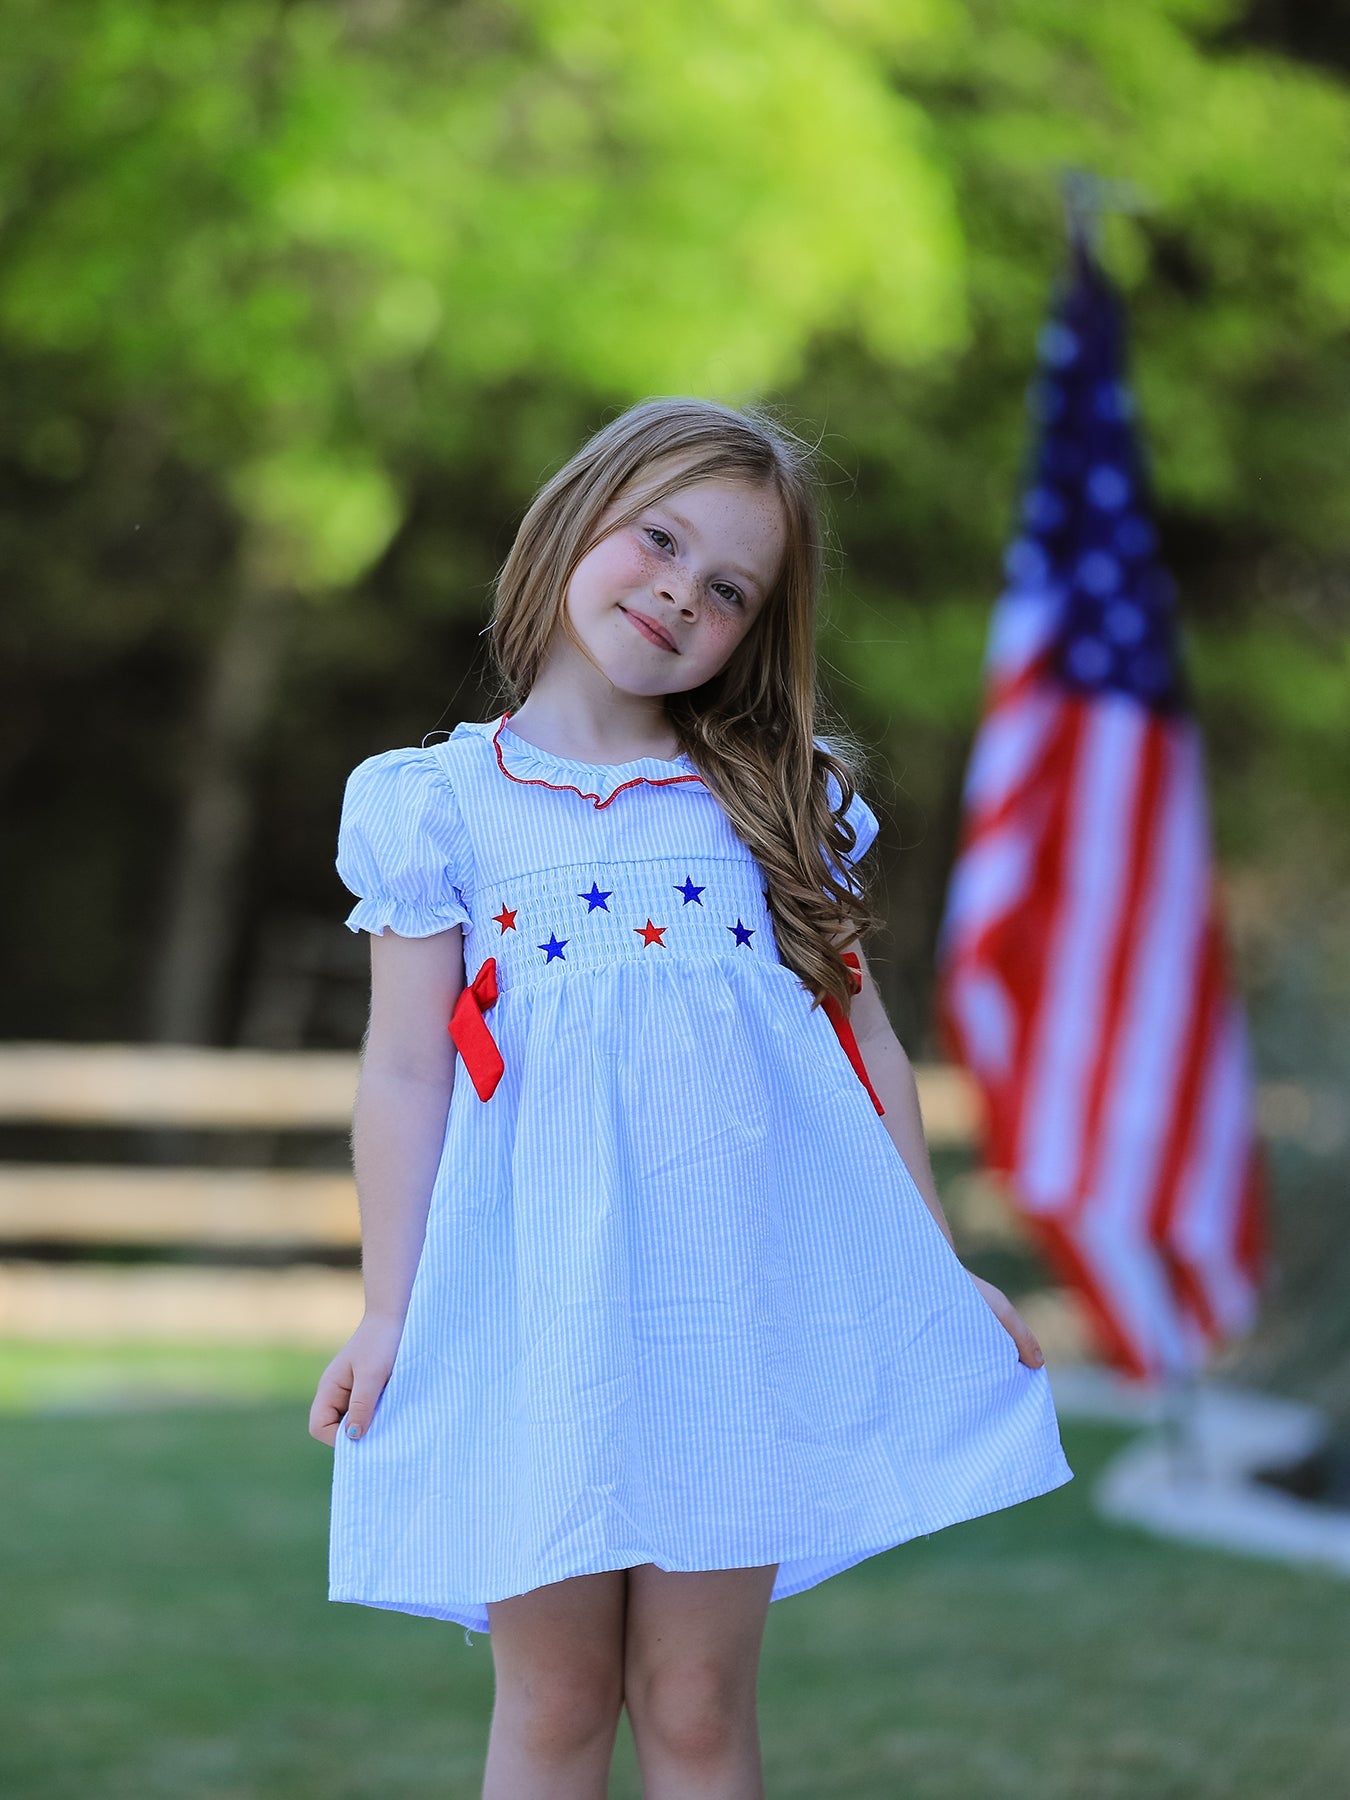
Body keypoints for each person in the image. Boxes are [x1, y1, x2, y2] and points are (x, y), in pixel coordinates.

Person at [308, 395, 1074, 1800]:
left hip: (728, 1312)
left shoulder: (782, 801)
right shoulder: (436, 807)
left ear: (753, 630)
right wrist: (387, 1308)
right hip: (532, 1310)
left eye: (728, 588)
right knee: (553, 1703)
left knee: (697, 1697)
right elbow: (408, 1068)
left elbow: (867, 1052)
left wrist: (929, 1261)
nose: (677, 590)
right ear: (569, 521)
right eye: (656, 539)